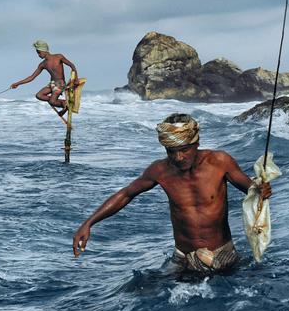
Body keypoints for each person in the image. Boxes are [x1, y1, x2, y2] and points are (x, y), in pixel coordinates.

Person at [72, 114, 273, 274]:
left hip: (222, 254)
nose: (178, 157)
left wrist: (260, 189)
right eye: (171, 151)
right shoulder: (159, 171)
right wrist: (88, 223)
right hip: (183, 259)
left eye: (184, 149)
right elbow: (126, 194)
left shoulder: (219, 162)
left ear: (196, 144)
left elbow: (248, 186)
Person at [10, 40, 79, 116]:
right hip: (52, 84)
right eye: (37, 53)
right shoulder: (43, 64)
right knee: (39, 95)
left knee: (52, 102)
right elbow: (31, 77)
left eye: (39, 52)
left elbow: (72, 65)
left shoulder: (58, 57)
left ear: (44, 50)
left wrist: (76, 78)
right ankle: (63, 103)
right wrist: (17, 84)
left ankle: (63, 104)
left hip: (60, 83)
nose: (38, 55)